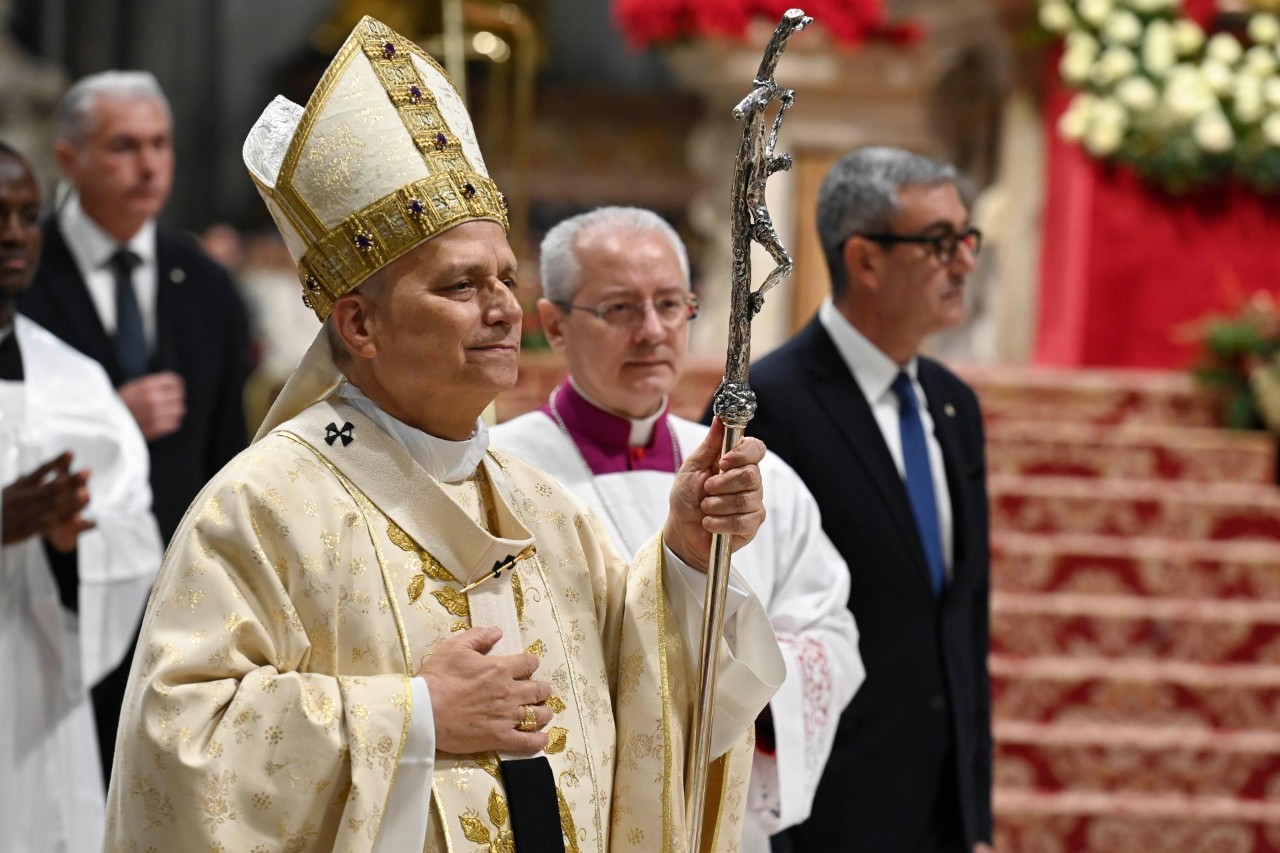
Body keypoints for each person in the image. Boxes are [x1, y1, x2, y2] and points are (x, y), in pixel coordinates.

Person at [103, 16, 783, 852]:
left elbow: (639, 688)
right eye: (460, 286)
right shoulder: (262, 507)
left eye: (505, 277)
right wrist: (418, 713)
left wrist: (685, 554)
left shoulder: (544, 509)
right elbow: (182, 743)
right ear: (359, 323)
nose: (502, 308)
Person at [492, 206, 864, 853]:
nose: (652, 331)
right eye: (619, 309)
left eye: (670, 304)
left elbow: (830, 630)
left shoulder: (754, 477)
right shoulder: (503, 475)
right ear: (553, 324)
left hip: (724, 816)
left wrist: (741, 680)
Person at [726, 147, 994, 852]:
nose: (965, 263)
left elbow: (963, 625)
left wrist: (975, 818)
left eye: (967, 237)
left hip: (937, 811)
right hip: (825, 813)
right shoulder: (768, 407)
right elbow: (738, 632)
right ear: (866, 260)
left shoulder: (953, 405)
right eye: (941, 242)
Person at [19, 70, 253, 779]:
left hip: (178, 589)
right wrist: (109, 418)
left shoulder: (206, 282)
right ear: (69, 158)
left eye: (160, 144)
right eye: (124, 146)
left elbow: (227, 453)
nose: (149, 165)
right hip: (48, 589)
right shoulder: (21, 268)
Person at [0, 142, 162, 852]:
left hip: (37, 693)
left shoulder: (77, 383)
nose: (14, 234)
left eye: (28, 215)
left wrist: (74, 549)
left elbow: (134, 540)